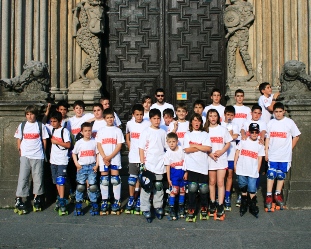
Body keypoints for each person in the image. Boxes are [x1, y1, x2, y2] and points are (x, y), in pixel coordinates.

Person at [13, 105, 49, 214]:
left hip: (37, 155)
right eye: (28, 114)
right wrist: (20, 150)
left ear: (35, 115)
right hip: (25, 155)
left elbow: (44, 140)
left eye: (32, 114)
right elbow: (19, 139)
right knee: (23, 177)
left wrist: (43, 152)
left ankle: (37, 198)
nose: (30, 116)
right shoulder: (22, 125)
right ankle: (19, 199)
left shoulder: (40, 126)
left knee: (37, 177)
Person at [265, 102, 300, 211]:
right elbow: (267, 138)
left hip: (284, 155)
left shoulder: (289, 122)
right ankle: (269, 195)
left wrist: (289, 149)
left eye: (280, 112)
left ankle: (277, 194)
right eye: (276, 112)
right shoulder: (271, 123)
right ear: (273, 112)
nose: (278, 114)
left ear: (284, 111)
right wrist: (266, 152)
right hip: (273, 154)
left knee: (281, 175)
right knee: (271, 174)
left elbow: (297, 136)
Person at [138, 109, 166, 222]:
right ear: (150, 119)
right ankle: (145, 208)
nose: (156, 121)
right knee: (146, 187)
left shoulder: (163, 132)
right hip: (148, 164)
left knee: (158, 186)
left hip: (159, 163)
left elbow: (166, 148)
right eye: (154, 118)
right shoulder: (146, 132)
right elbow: (141, 148)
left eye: (158, 118)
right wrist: (141, 163)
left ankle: (158, 206)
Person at [96, 108, 125, 215]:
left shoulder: (117, 130)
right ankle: (104, 201)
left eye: (111, 117)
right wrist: (104, 157)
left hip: (114, 158)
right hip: (104, 158)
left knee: (115, 179)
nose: (110, 119)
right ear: (104, 119)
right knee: (104, 180)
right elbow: (99, 144)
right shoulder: (101, 130)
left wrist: (110, 157)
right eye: (107, 118)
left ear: (114, 118)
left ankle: (117, 201)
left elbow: (119, 145)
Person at [183, 113, 212, 221]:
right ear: (191, 122)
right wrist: (201, 147)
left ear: (201, 122)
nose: (196, 123)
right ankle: (191, 208)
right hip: (191, 166)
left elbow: (208, 148)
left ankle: (204, 207)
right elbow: (186, 149)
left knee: (204, 189)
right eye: (194, 120)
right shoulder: (188, 134)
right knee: (192, 188)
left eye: (198, 121)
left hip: (203, 165)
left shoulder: (205, 134)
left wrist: (194, 145)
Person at [204, 109, 231, 220]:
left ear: (218, 118)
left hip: (221, 159)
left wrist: (221, 151)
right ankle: (212, 202)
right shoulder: (205, 131)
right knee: (212, 181)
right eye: (211, 116)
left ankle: (220, 204)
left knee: (220, 182)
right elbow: (203, 145)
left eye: (215, 116)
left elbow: (228, 143)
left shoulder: (223, 130)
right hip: (210, 158)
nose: (213, 118)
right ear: (208, 118)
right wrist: (210, 154)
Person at [234, 123, 265, 218]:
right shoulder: (243, 141)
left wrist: (258, 169)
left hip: (252, 169)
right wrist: (235, 164)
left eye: (256, 132)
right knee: (243, 186)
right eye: (252, 132)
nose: (254, 134)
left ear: (258, 133)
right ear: (249, 132)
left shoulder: (260, 145)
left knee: (252, 188)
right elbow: (237, 152)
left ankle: (252, 204)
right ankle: (244, 202)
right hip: (242, 168)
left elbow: (260, 158)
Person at [125, 104, 150, 214]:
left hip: (143, 157)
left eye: (141, 114)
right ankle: (131, 198)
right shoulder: (129, 124)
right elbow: (127, 135)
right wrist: (130, 146)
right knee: (132, 179)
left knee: (141, 179)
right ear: (133, 115)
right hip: (133, 156)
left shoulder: (147, 124)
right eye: (137, 115)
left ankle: (140, 198)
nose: (139, 117)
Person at [45, 111, 71, 215]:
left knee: (61, 180)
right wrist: (48, 111)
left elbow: (68, 145)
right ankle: (59, 197)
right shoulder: (51, 129)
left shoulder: (64, 131)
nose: (52, 123)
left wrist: (56, 142)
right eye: (51, 121)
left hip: (62, 159)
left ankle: (62, 200)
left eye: (55, 121)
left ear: (60, 121)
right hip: (53, 159)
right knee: (56, 180)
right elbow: (43, 123)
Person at [67, 100, 94, 201]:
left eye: (81, 108)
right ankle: (76, 192)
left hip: (86, 148)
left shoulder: (86, 117)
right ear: (74, 109)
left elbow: (97, 117)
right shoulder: (70, 121)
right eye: (77, 108)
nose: (79, 110)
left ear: (84, 109)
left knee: (87, 172)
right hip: (75, 149)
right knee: (76, 172)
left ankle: (88, 193)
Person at [72, 122, 99, 216]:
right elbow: (74, 153)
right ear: (82, 132)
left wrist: (97, 165)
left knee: (92, 187)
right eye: (85, 131)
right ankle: (78, 206)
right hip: (82, 167)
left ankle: (94, 204)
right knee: (80, 187)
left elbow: (97, 154)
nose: (88, 132)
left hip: (92, 166)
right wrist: (76, 164)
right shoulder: (79, 143)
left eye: (89, 130)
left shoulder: (94, 141)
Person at [220, 105, 239, 211]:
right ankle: (220, 194)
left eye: (231, 115)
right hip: (222, 154)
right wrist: (230, 136)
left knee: (230, 175)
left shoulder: (235, 125)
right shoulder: (220, 125)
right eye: (228, 115)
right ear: (225, 115)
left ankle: (227, 196)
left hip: (231, 154)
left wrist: (230, 135)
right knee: (221, 176)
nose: (229, 117)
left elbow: (235, 136)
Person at [165, 132, 186, 220]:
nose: (172, 144)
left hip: (182, 172)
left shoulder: (181, 150)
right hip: (174, 174)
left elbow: (185, 161)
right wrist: (168, 178)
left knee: (182, 190)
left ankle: (181, 208)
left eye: (173, 141)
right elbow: (168, 167)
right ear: (167, 143)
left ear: (177, 141)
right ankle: (172, 209)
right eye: (170, 142)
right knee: (174, 191)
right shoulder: (167, 153)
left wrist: (186, 172)